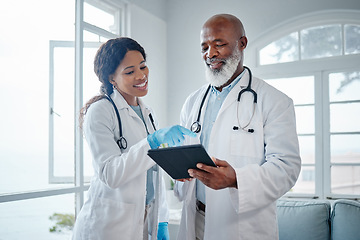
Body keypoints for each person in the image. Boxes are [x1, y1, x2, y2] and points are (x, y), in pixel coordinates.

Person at [174, 14, 301, 240]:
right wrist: (180, 172)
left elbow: (286, 167)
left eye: (219, 44)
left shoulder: (274, 101)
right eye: (204, 47)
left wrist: (235, 179)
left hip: (240, 226)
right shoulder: (193, 102)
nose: (210, 54)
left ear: (242, 43)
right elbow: (184, 153)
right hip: (195, 220)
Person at [72, 37, 195, 240]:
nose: (141, 76)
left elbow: (151, 171)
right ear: (111, 78)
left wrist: (162, 218)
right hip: (108, 225)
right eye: (130, 72)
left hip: (145, 217)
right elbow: (110, 174)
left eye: (143, 67)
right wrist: (152, 142)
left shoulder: (148, 113)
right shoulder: (100, 111)